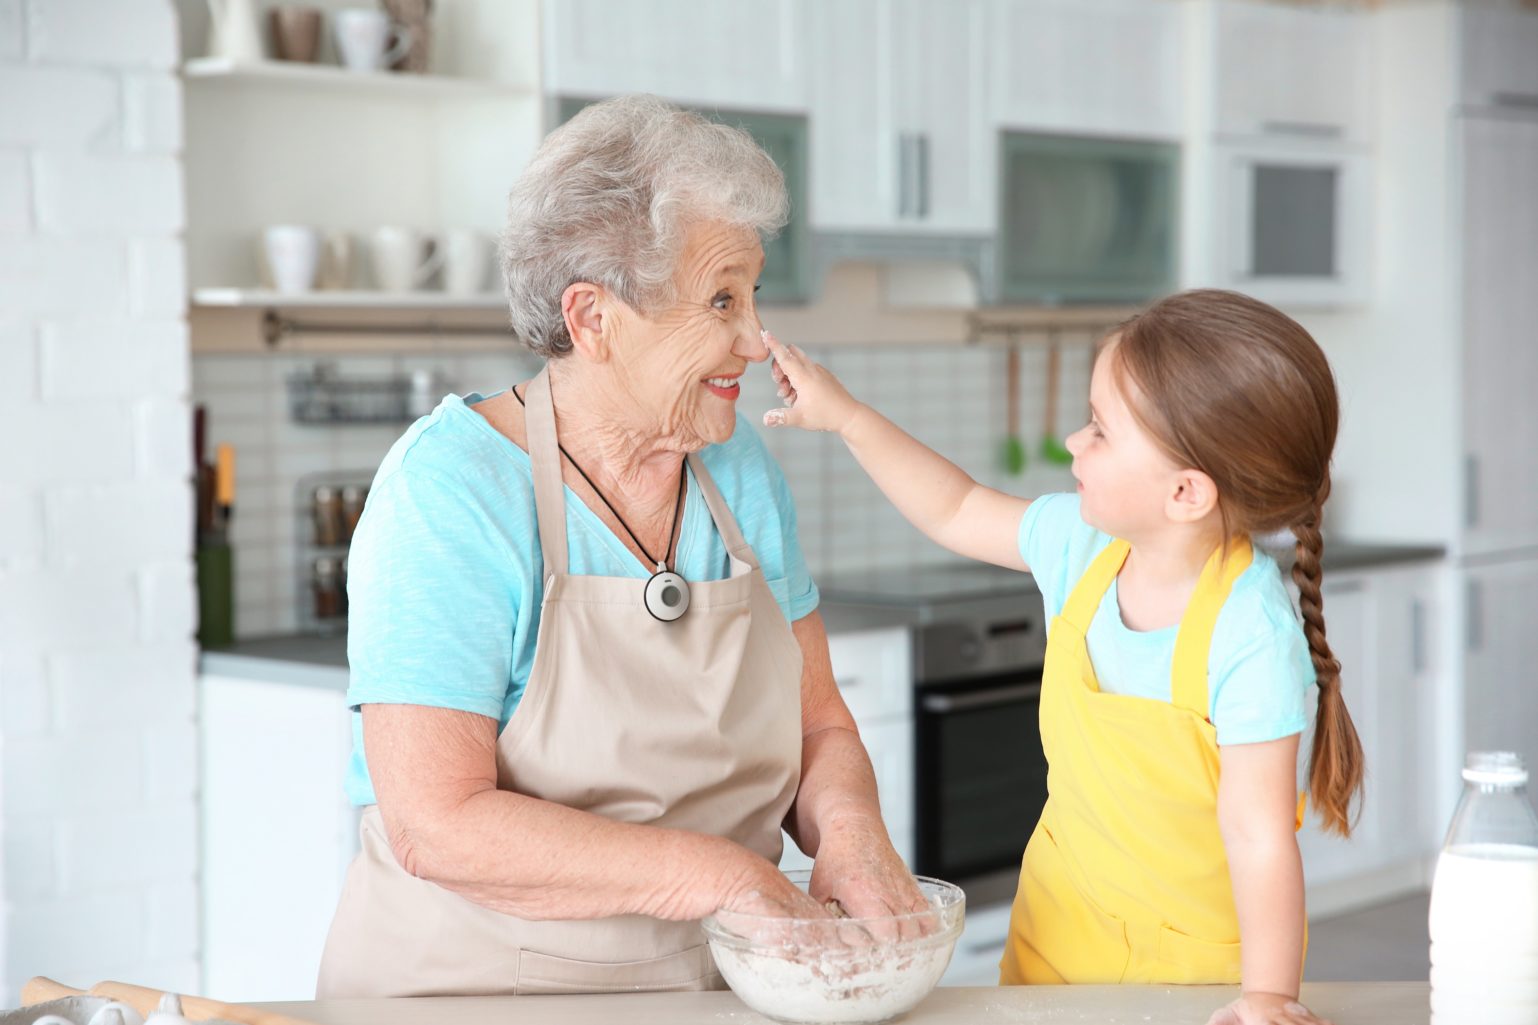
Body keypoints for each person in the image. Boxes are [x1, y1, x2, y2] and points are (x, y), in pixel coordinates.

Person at [316, 94, 923, 998]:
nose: (756, 340)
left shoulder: (739, 468)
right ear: (593, 318)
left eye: (752, 295)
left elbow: (818, 723)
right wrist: (726, 876)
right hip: (474, 993)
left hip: (714, 982)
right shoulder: (450, 491)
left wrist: (853, 834)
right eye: (721, 299)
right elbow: (436, 823)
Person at [760, 289, 1364, 1025]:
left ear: (1185, 492)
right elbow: (954, 507)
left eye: (1101, 432)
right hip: (1057, 933)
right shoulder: (1081, 548)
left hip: (1197, 974)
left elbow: (1258, 835)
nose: (1074, 443)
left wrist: (1266, 998)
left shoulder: (1251, 634)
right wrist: (848, 417)